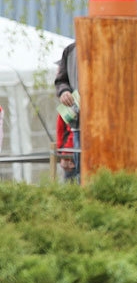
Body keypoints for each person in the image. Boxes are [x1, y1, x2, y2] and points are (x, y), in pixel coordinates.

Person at [54, 42, 80, 182]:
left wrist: (65, 153)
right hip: (69, 154)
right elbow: (64, 130)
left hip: (70, 155)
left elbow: (67, 130)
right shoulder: (69, 98)